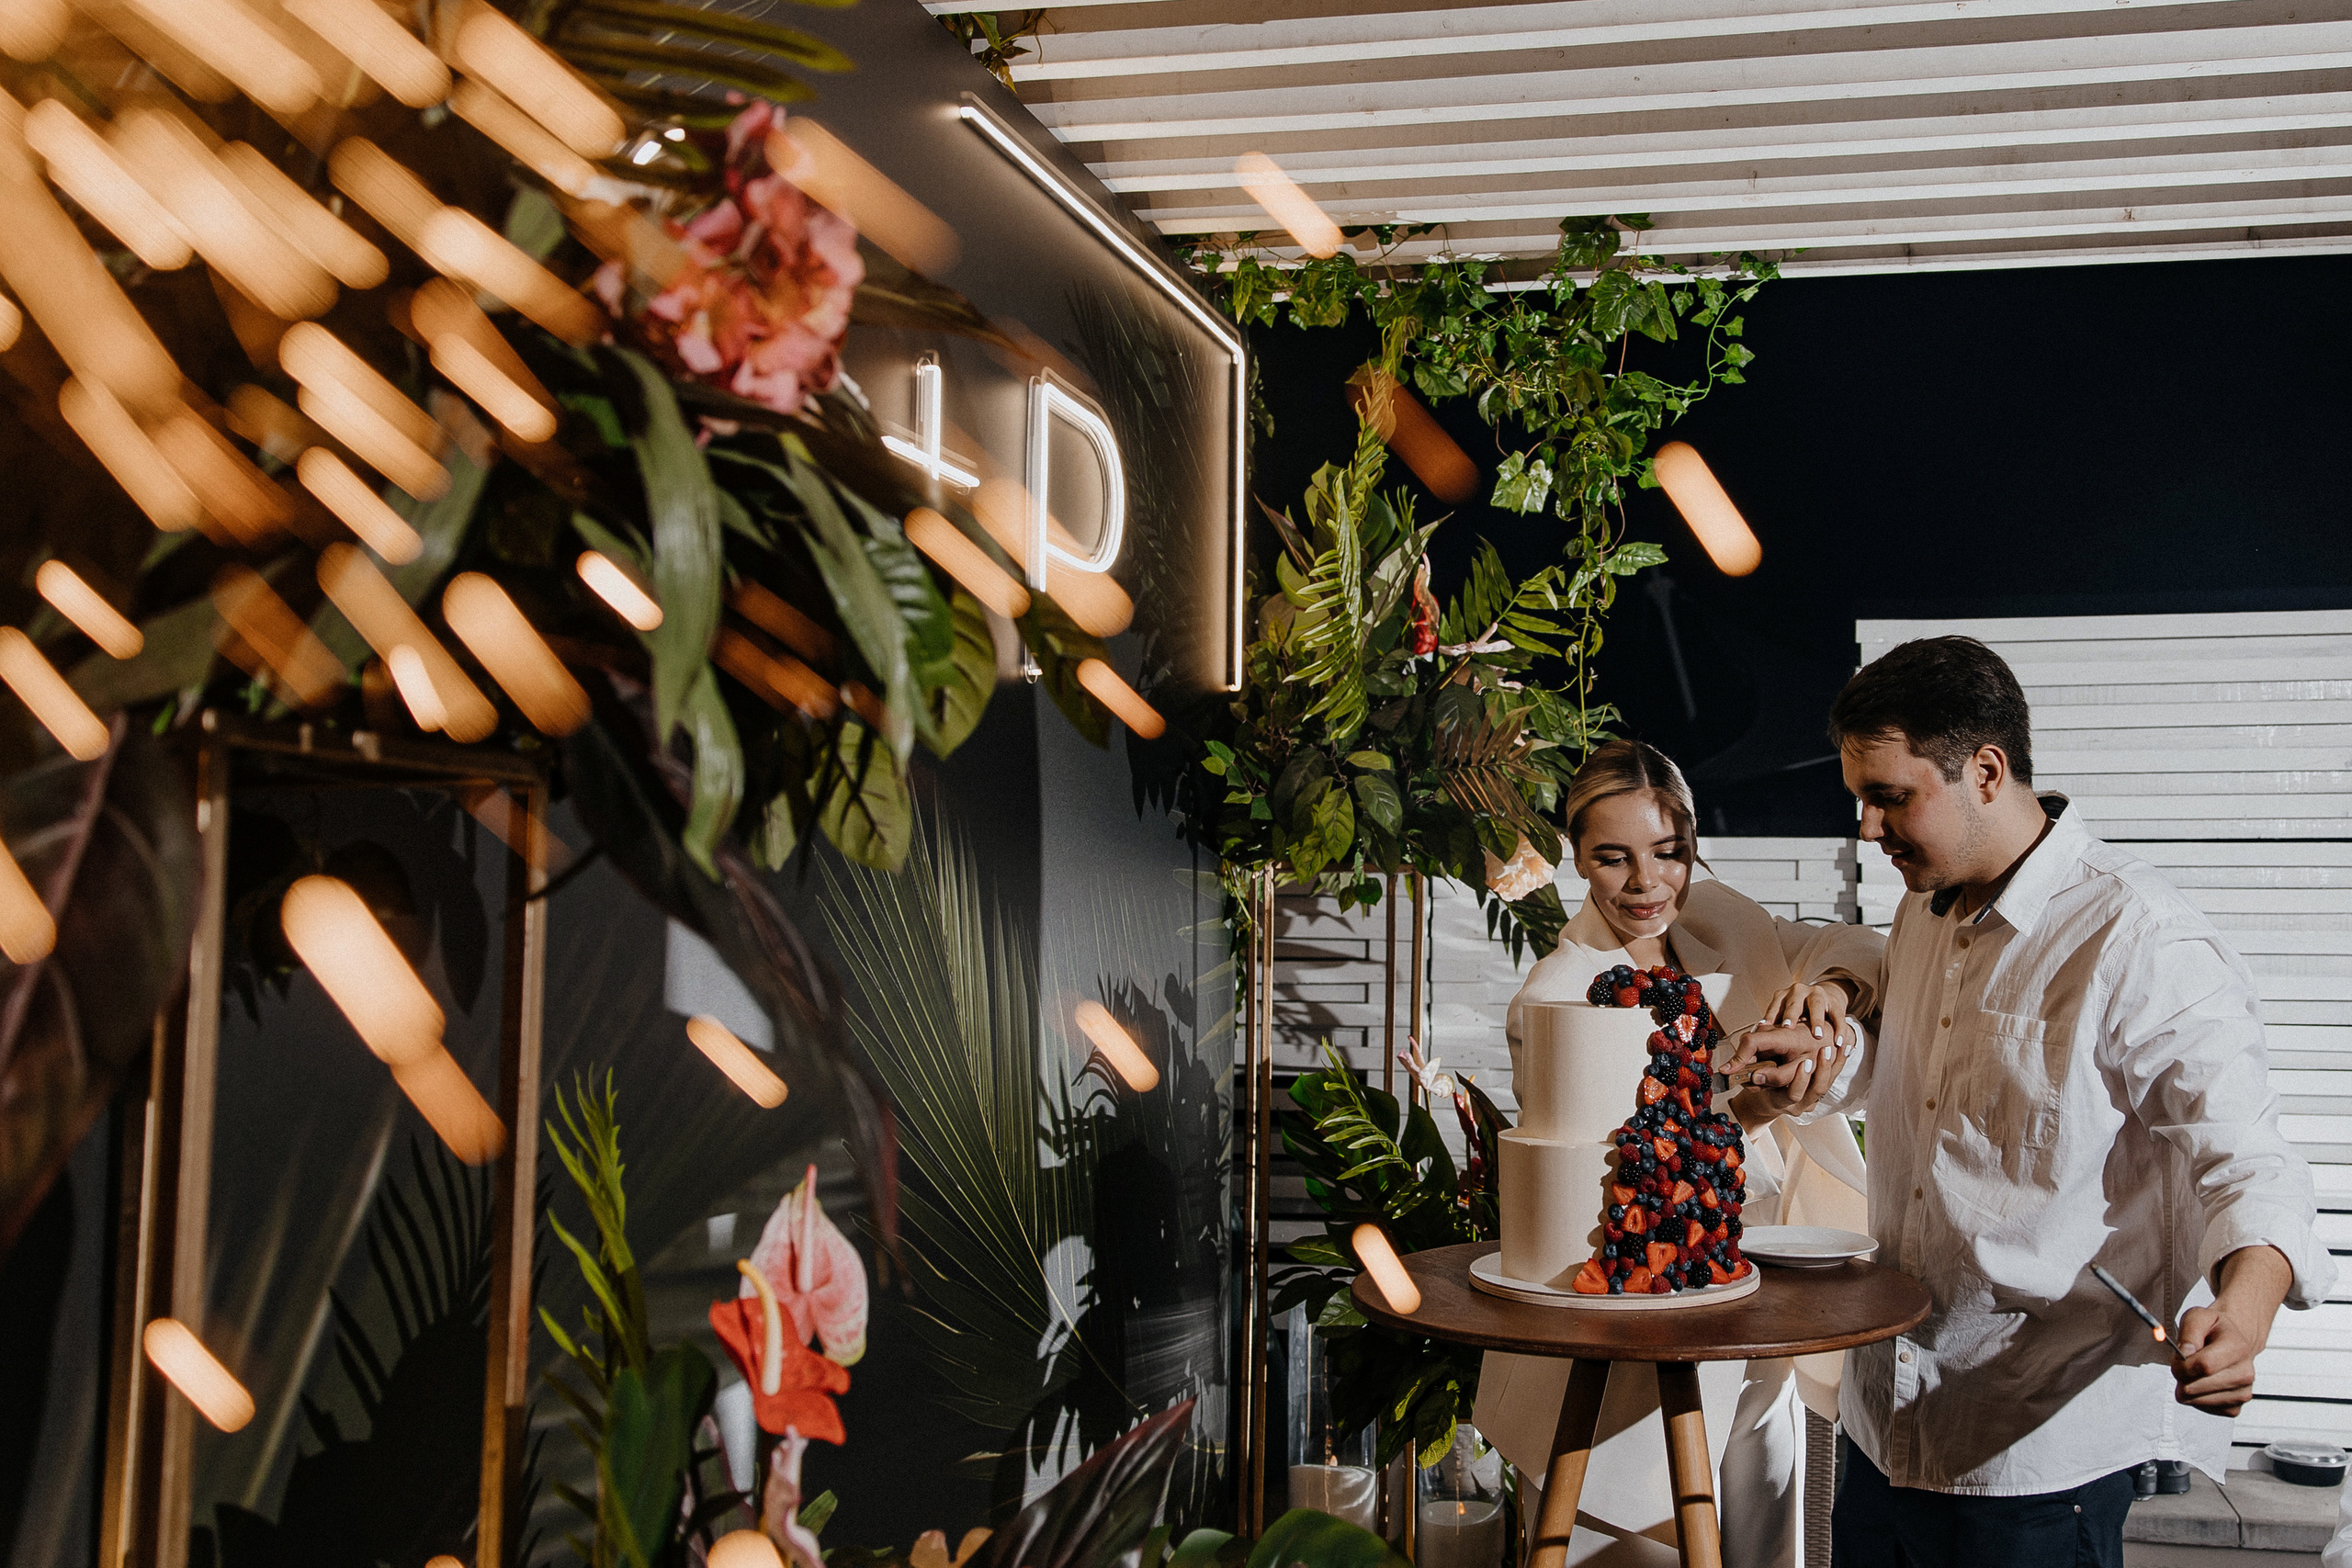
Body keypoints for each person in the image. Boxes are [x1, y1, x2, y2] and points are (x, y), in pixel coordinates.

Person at [1747, 636, 2331, 1568]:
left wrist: (2246, 1313)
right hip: (1882, 1422)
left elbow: (2246, 1158)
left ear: (1985, 771)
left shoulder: (2139, 936)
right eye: (1860, 801)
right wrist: (1830, 1064)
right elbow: (1930, 1078)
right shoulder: (1919, 908)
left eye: (1889, 798)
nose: (1867, 830)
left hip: (2029, 1458)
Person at [1471, 739, 1883, 1567]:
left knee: (1770, 1542)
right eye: (1612, 857)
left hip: (1756, 1303)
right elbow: (1608, 1185)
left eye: (1669, 852)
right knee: (1630, 1550)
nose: (1646, 882)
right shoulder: (1552, 999)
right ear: (1577, 857)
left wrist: (1830, 991)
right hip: (1623, 1331)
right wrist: (1756, 1111)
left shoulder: (1721, 921)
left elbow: (1866, 950)